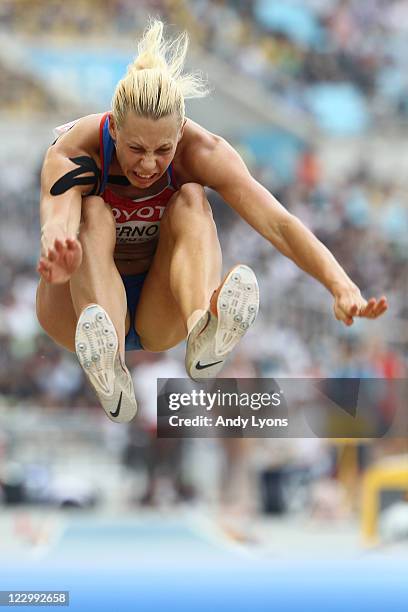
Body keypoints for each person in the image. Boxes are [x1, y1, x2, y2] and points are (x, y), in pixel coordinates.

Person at [36, 20, 388, 424]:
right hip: (77, 308)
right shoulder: (77, 149)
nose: (149, 164)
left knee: (191, 198)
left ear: (181, 132)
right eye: (135, 148)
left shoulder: (201, 151)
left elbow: (277, 222)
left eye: (163, 149)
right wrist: (58, 249)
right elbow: (58, 213)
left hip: (158, 313)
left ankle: (203, 324)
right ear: (113, 127)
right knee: (93, 211)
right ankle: (107, 362)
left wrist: (341, 286)